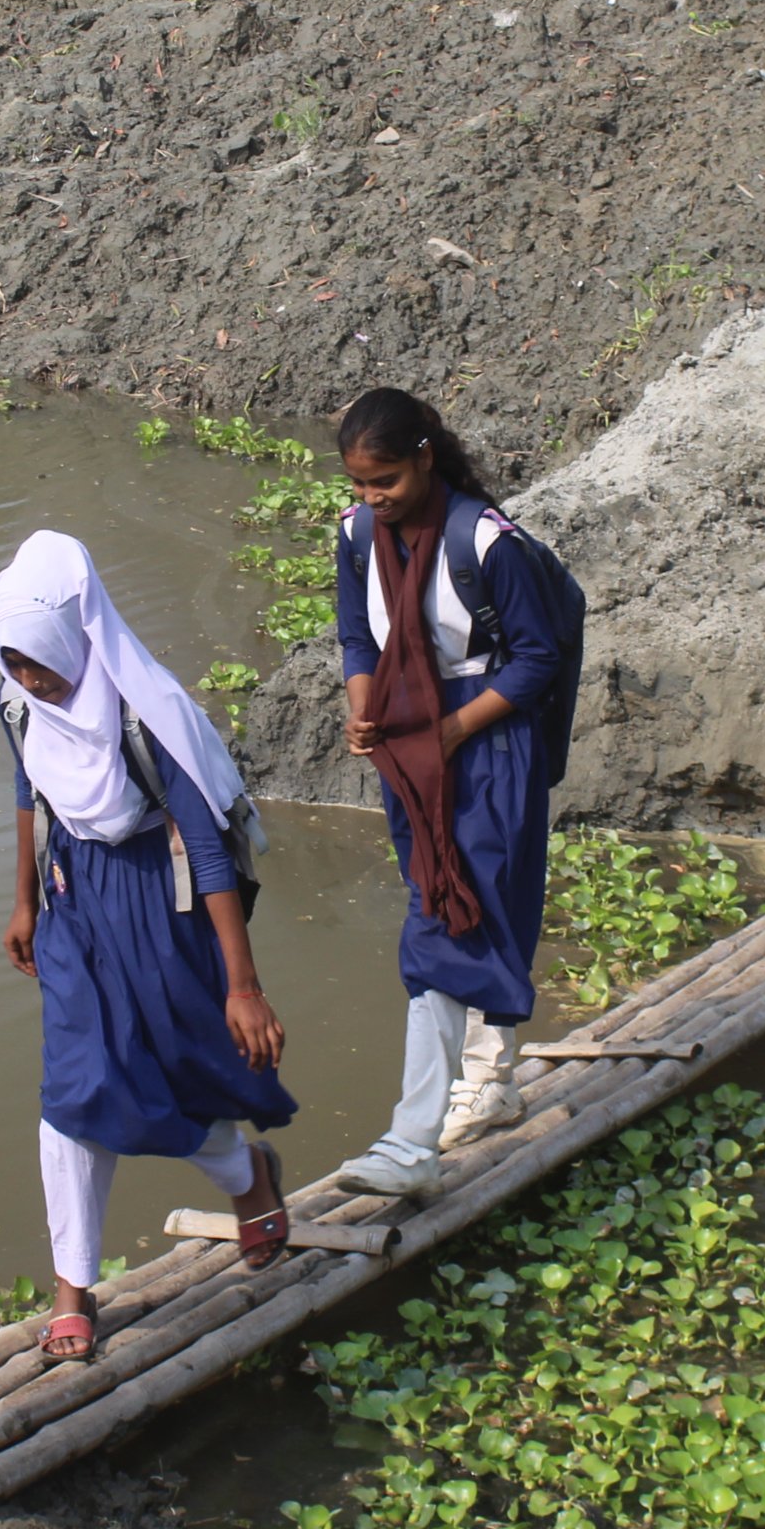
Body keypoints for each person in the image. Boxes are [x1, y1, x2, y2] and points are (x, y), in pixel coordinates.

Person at [0, 531, 295, 1363]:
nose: (30, 680)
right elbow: (27, 787)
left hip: (160, 901)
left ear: (75, 637)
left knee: (174, 1073)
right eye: (13, 662)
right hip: (72, 901)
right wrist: (22, 901)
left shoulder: (143, 714)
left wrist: (242, 985)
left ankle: (246, 1177)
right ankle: (73, 1286)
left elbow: (206, 849)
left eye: (40, 662)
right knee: (75, 1087)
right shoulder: (19, 705)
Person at [326, 390, 565, 1199]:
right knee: (449, 900)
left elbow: (537, 659)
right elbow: (357, 637)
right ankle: (491, 1083)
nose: (374, 498)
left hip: (485, 738)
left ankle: (411, 1139)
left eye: (386, 480)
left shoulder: (485, 542)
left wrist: (454, 731)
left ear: (425, 459)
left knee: (448, 919)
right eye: (360, 484)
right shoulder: (358, 535)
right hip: (411, 745)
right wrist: (364, 706)